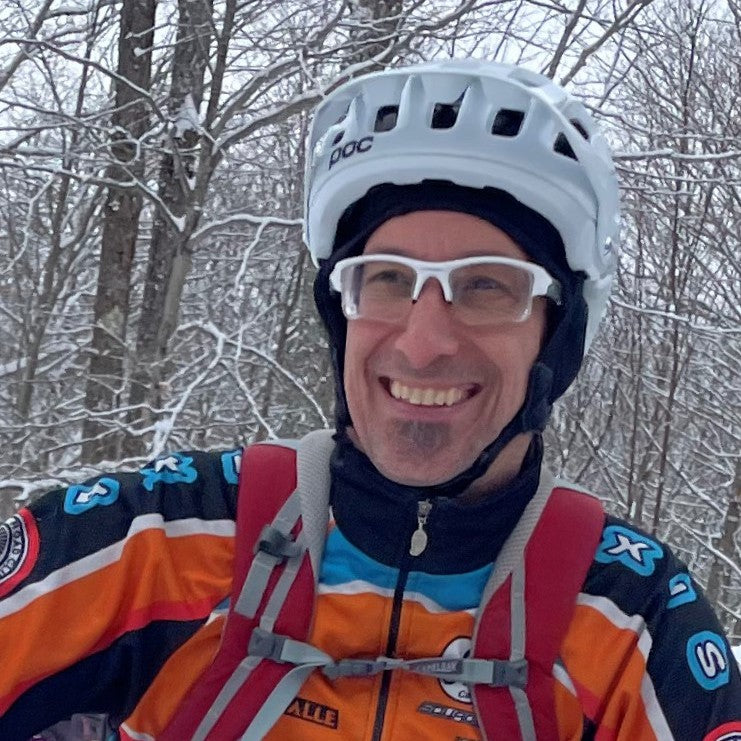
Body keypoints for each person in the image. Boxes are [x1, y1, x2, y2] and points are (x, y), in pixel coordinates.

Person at [1, 59, 739, 741]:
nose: (422, 343)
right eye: (386, 278)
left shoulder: (632, 617)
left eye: (486, 285)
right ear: (340, 313)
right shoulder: (161, 539)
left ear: (557, 335)